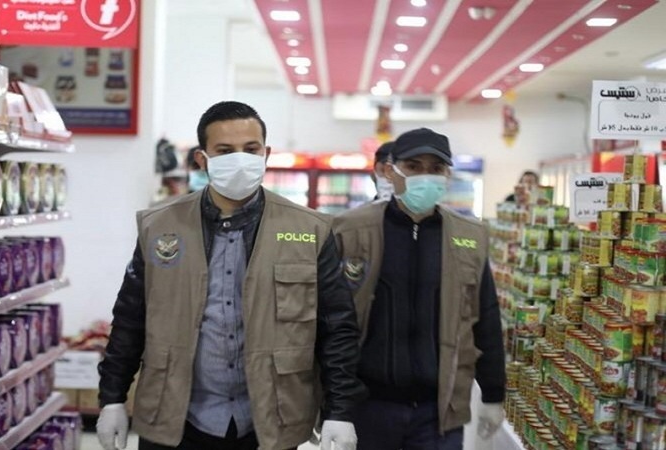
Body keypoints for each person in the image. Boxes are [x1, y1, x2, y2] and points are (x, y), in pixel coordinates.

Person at [96, 101, 366, 450]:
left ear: (266, 154)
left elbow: (337, 328)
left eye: (250, 149)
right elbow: (130, 318)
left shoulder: (311, 229)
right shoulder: (159, 225)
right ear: (202, 159)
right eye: (225, 151)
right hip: (174, 417)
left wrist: (340, 410)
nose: (240, 159)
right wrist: (113, 398)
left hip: (271, 420)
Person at [332, 127, 506, 449]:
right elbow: (329, 322)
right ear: (390, 171)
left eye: (436, 168)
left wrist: (494, 393)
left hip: (438, 410)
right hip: (369, 404)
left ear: (447, 175)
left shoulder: (468, 236)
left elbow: (486, 318)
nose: (425, 176)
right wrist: (334, 407)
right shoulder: (350, 230)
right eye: (413, 167)